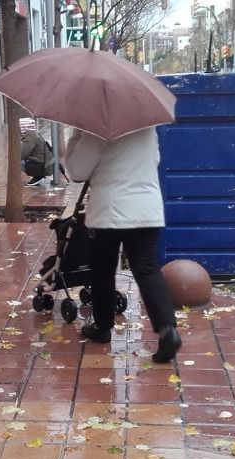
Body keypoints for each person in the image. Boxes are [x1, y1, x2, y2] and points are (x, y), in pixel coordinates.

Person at [65, 126, 181, 363]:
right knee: (147, 269)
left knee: (102, 270)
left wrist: (76, 136)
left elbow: (77, 172)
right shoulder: (147, 127)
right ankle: (168, 329)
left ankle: (102, 327)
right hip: (146, 210)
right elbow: (154, 160)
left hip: (109, 211)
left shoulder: (94, 129)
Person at [19, 118, 53, 186]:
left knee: (15, 161)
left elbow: (21, 155)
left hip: (43, 166)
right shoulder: (34, 134)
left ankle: (38, 175)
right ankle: (37, 176)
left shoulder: (30, 137)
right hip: (46, 163)